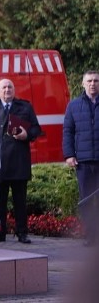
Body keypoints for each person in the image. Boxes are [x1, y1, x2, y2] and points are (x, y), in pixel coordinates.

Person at [0, 78, 40, 244]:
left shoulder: (25, 107)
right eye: (3, 87)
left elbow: (36, 129)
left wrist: (27, 134)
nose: (7, 90)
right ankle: (0, 232)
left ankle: (22, 232)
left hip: (19, 160)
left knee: (20, 201)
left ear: (14, 90)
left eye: (10, 87)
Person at [63, 70, 99, 247]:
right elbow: (68, 131)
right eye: (89, 81)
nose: (93, 84)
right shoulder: (73, 105)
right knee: (86, 200)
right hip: (83, 162)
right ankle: (90, 235)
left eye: (96, 81)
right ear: (83, 84)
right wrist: (69, 154)